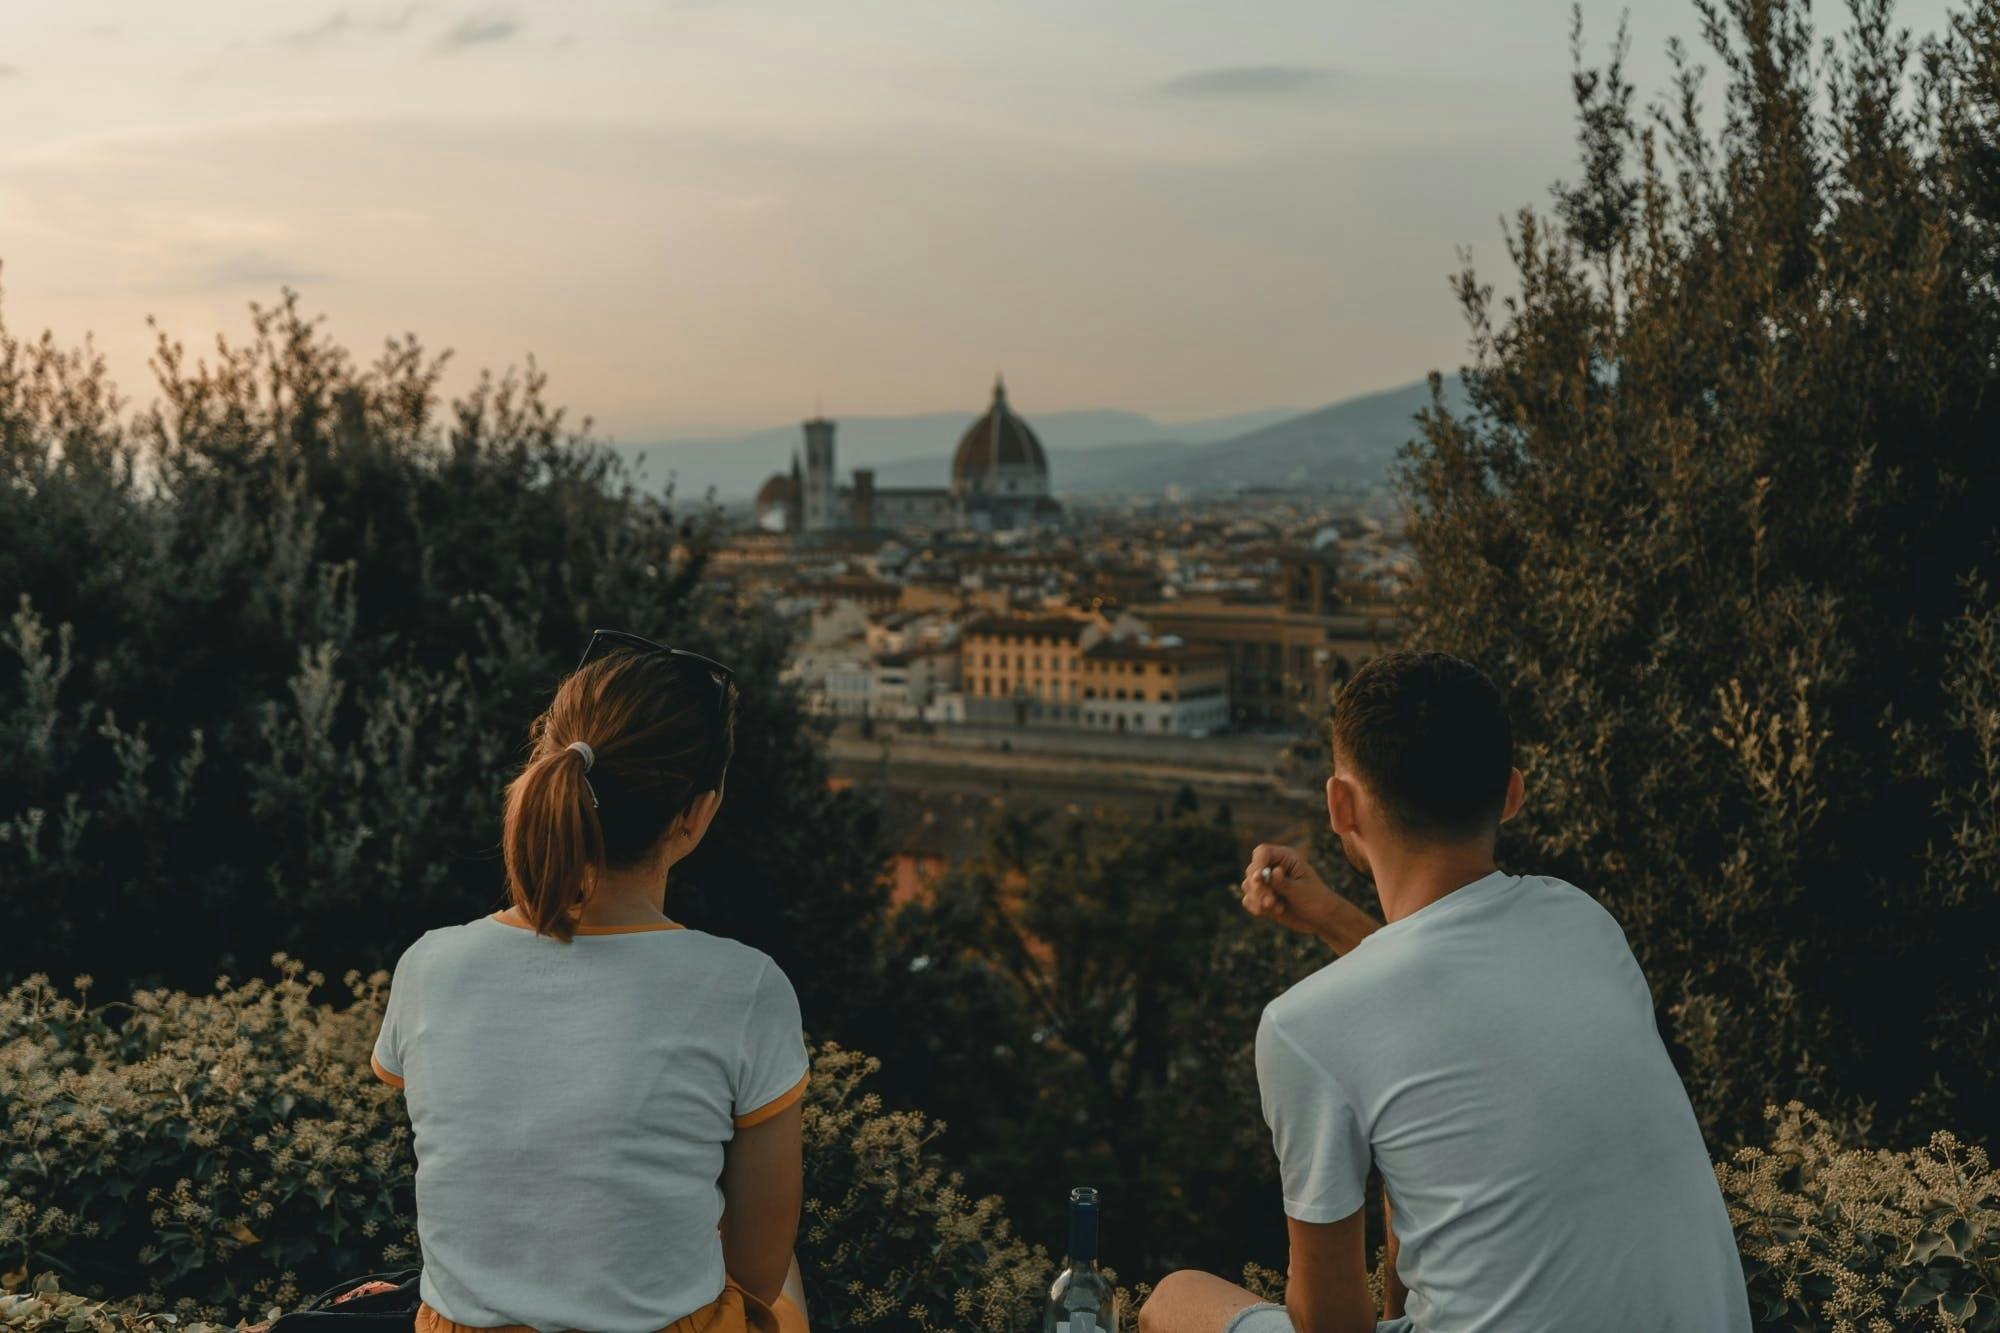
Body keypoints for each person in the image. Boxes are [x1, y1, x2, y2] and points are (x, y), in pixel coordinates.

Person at [1139, 651, 1752, 1333]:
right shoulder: (1582, 920)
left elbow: (1331, 1326)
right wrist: (1335, 920)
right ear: (1513, 792)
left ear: (1340, 804)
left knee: (1174, 1298)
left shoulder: (1303, 1026)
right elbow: (1444, 1020)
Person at [370, 630, 812, 1333]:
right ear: (696, 813)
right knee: (784, 1287)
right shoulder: (746, 988)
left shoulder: (429, 965)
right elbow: (755, 1271)